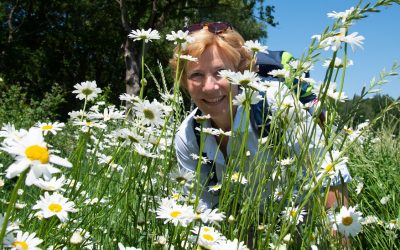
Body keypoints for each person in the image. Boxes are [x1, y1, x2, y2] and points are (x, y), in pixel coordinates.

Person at [169, 22, 351, 212]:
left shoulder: (275, 105)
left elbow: (330, 176)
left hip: (303, 216)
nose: (210, 87)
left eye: (220, 72)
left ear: (240, 71)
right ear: (183, 80)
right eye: (196, 75)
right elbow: (201, 206)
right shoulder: (188, 136)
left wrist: (337, 233)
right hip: (247, 223)